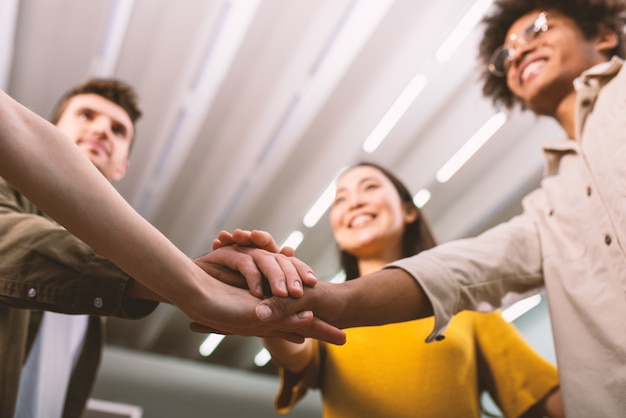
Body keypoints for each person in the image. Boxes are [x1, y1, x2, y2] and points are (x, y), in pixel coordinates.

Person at [221, 1, 626, 416]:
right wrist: (272, 300)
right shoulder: (550, 203)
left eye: (538, 29)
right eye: (505, 54)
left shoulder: (467, 313)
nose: (518, 53)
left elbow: (538, 400)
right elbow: (468, 268)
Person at [0, 80, 344, 417]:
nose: (102, 130)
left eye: (118, 130)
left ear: (122, 167)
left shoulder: (94, 304)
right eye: (86, 115)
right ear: (51, 131)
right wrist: (188, 282)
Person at [261, 162, 563, 418]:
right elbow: (294, 353)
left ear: (408, 211)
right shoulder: (326, 311)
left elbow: (538, 395)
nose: (354, 202)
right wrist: (266, 300)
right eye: (340, 199)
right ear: (338, 234)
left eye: (369, 188)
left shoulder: (463, 303)